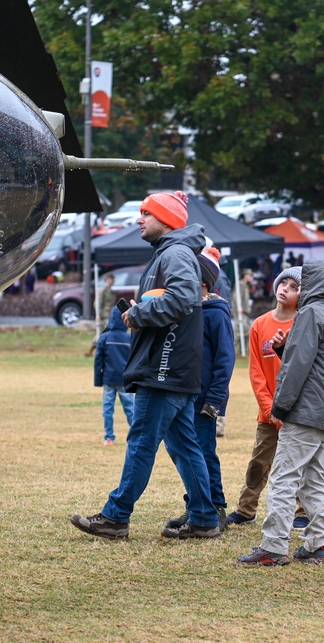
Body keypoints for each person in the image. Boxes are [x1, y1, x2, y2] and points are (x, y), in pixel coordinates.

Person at [71, 191, 219, 540]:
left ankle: (115, 517)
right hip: (176, 367)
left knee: (141, 441)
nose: (138, 219)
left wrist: (138, 313)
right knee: (184, 445)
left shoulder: (176, 252)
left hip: (164, 367)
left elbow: (183, 298)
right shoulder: (173, 253)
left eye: (145, 213)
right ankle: (203, 517)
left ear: (166, 220)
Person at [236, 259, 324, 567]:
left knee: (285, 478)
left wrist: (280, 406)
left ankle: (273, 546)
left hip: (304, 412)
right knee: (313, 480)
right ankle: (316, 543)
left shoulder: (311, 313)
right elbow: (318, 363)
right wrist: (288, 349)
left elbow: (298, 367)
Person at [224, 265, 306, 528]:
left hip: (296, 411)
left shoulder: (304, 324)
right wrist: (269, 407)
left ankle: (302, 512)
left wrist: (288, 409)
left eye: (295, 287)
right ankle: (246, 509)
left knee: (298, 463)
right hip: (268, 412)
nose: (286, 289)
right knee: (259, 462)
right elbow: (257, 372)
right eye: (284, 284)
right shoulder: (260, 324)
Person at [165, 246, 235, 532]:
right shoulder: (186, 310)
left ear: (202, 279)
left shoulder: (216, 314)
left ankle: (215, 506)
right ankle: (195, 504)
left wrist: (215, 399)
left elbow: (225, 359)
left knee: (205, 452)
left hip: (205, 398)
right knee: (186, 455)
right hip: (182, 394)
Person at [94, 305, 135, 446]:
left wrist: (98, 380)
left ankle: (109, 437)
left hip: (109, 379)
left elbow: (98, 361)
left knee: (107, 410)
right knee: (131, 409)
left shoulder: (104, 338)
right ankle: (136, 436)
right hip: (125, 380)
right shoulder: (130, 338)